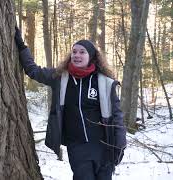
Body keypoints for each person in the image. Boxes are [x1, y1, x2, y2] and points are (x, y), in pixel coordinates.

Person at [14, 27, 127, 180]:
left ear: (91, 57)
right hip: (78, 147)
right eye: (74, 52)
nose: (77, 55)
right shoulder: (60, 78)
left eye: (82, 52)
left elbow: (116, 116)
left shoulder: (104, 83)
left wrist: (120, 144)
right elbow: (33, 70)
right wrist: (21, 46)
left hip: (103, 147)